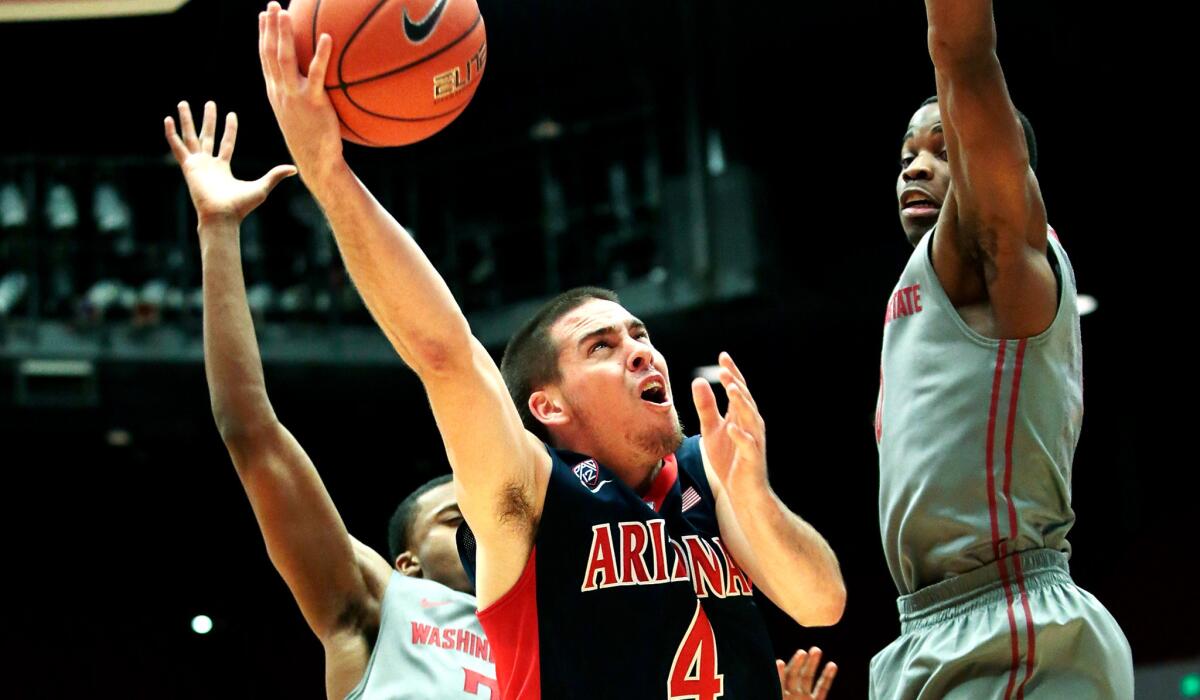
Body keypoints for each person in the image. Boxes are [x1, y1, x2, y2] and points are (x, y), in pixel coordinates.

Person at [255, 3, 846, 698]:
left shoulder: (705, 477)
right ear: (548, 404)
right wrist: (329, 174)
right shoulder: (530, 499)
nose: (640, 352)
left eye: (641, 335)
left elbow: (820, 603)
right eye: (602, 345)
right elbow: (445, 353)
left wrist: (752, 492)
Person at [165, 99, 497, 699]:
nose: (479, 529)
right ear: (409, 565)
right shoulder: (383, 606)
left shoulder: (555, 628)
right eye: (456, 522)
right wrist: (218, 230)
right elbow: (250, 431)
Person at [870, 2, 1134, 697]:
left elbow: (963, 54)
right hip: (923, 626)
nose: (916, 168)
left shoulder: (1004, 254)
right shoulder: (919, 293)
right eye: (907, 155)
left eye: (942, 149)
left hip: (1013, 621)